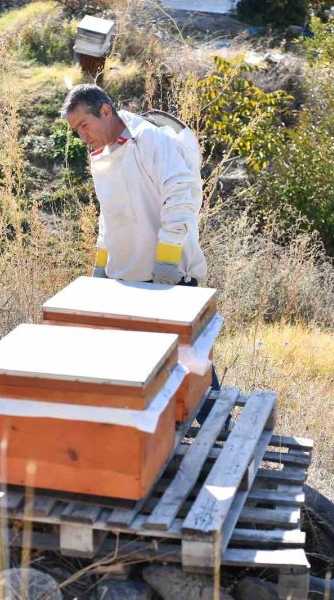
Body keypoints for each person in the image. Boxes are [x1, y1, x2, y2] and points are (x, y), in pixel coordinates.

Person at [60, 84, 220, 418]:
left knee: (192, 371)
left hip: (169, 280)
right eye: (76, 131)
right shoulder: (101, 155)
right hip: (127, 283)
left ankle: (220, 439)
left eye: (84, 126)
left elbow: (181, 195)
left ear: (105, 111)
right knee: (139, 377)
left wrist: (167, 259)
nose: (82, 136)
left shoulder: (150, 140)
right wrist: (101, 267)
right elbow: (110, 215)